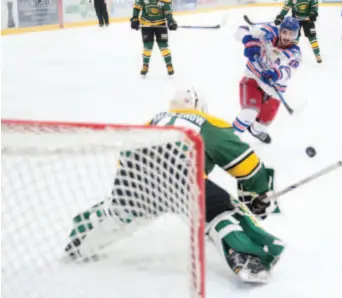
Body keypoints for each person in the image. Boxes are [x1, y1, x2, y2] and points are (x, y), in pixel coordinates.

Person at [64, 88, 285, 283]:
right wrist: (256, 195)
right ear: (200, 107)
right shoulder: (207, 122)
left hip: (133, 177)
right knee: (222, 212)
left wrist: (133, 186)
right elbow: (246, 163)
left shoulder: (153, 121)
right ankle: (250, 258)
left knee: (118, 211)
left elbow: (126, 155)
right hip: (181, 179)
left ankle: (80, 239)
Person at [232, 16, 302, 144]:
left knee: (262, 126)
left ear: (296, 36)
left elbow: (288, 71)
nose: (286, 37)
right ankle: (228, 141)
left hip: (273, 91)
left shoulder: (295, 54)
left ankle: (255, 131)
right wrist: (249, 41)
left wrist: (276, 73)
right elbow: (241, 30)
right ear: (280, 30)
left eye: (291, 34)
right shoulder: (267, 32)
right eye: (284, 32)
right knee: (248, 113)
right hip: (253, 79)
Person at [130, 0, 178, 77]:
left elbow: (168, 11)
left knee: (163, 45)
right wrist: (135, 18)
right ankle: (145, 65)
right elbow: (137, 7)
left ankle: (169, 64)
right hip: (146, 24)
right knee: (148, 46)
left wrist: (170, 21)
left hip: (160, 23)